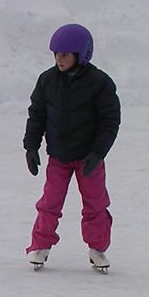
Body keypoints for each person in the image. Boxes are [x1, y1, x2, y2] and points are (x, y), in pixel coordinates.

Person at [23, 23, 121, 271]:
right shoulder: (47, 80)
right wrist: (31, 146)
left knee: (96, 204)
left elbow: (110, 121)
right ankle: (40, 245)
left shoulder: (100, 83)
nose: (59, 58)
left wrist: (98, 153)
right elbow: (37, 115)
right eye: (56, 53)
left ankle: (97, 249)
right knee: (49, 203)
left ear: (82, 54)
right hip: (58, 156)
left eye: (65, 54)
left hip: (89, 158)